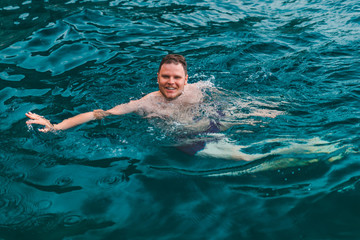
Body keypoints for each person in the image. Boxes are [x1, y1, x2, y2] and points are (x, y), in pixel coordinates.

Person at [26, 54, 208, 132]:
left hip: (210, 122)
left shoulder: (197, 88)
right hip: (185, 138)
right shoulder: (144, 104)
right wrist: (55, 126)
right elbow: (100, 114)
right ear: (157, 78)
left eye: (176, 77)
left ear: (186, 79)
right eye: (165, 76)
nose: (171, 82)